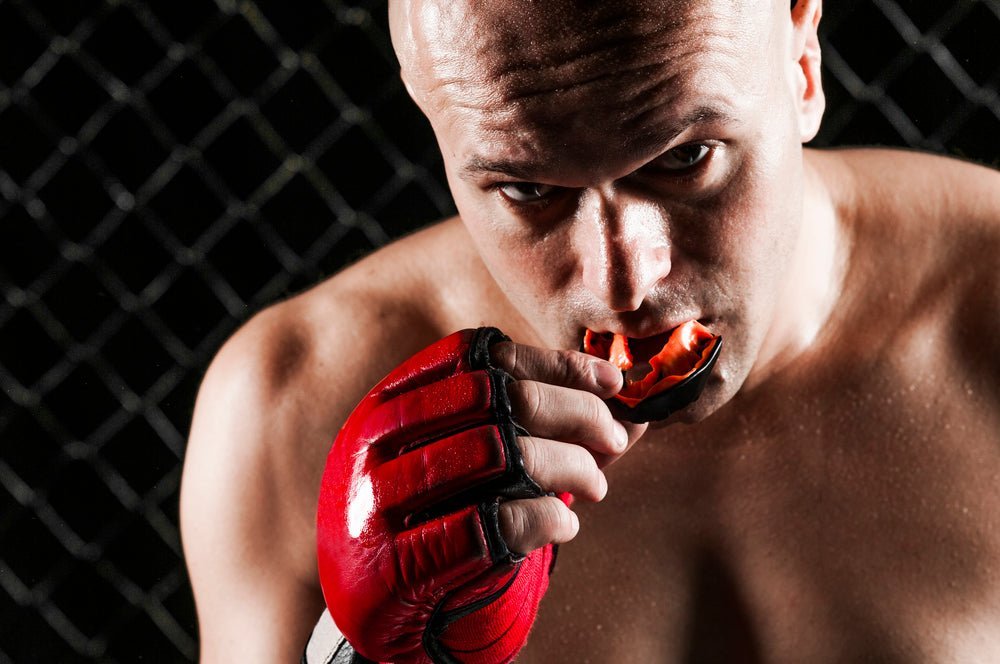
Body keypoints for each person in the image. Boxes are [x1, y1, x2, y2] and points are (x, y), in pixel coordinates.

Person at [180, 0, 1000, 661]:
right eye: (529, 190)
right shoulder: (291, 405)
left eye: (685, 158)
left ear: (803, 57)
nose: (623, 282)